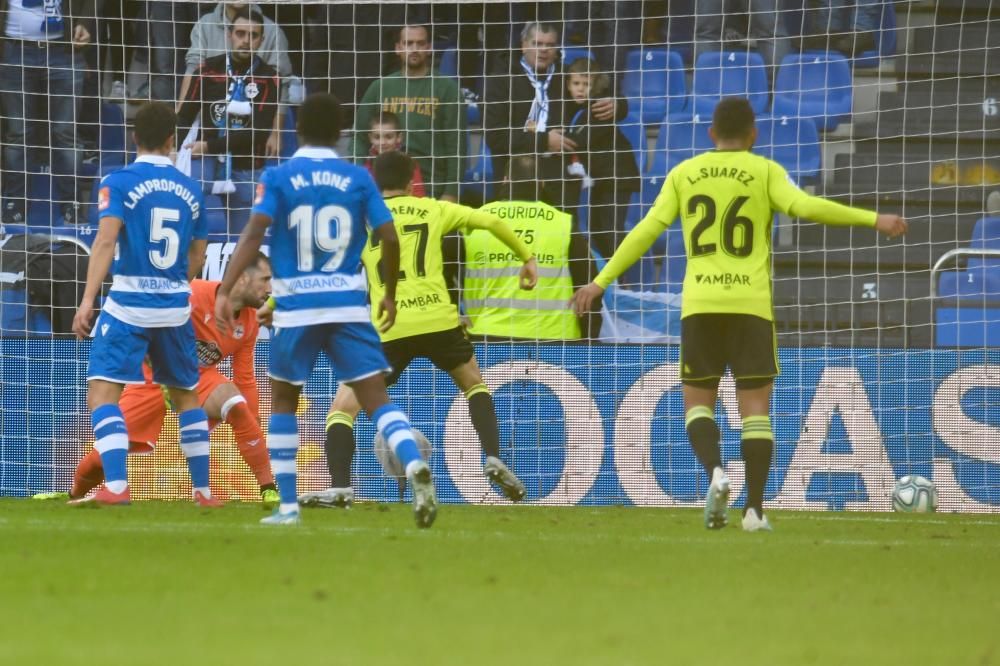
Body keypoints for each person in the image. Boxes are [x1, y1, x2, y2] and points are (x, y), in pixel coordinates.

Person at [571, 98, 908, 531]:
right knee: (755, 412)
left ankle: (715, 472)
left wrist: (601, 281)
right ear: (754, 134)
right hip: (750, 305)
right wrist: (873, 219)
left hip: (701, 306)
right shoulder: (765, 170)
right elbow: (806, 208)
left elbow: (646, 230)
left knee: (697, 404)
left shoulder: (684, 173)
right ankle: (753, 511)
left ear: (711, 134)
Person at [215, 93, 437, 527]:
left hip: (297, 307)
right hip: (348, 303)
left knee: (283, 399)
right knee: (375, 397)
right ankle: (412, 464)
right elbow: (390, 238)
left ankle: (289, 507)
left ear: (298, 129)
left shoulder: (279, 176)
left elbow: (253, 234)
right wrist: (388, 293)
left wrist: (226, 288)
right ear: (341, 134)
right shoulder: (358, 177)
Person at [292, 151, 537, 509]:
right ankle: (492, 456)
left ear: (375, 182)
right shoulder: (434, 208)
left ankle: (341, 486)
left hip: (389, 327)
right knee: (473, 383)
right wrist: (526, 257)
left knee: (342, 411)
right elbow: (490, 222)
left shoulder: (360, 219)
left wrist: (273, 304)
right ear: (412, 181)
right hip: (438, 319)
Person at [35, 255, 277, 507]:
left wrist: (253, 416)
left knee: (236, 403)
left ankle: (268, 489)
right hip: (152, 377)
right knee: (107, 451)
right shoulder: (194, 294)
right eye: (266, 279)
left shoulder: (250, 321)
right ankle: (74, 493)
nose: (270, 289)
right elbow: (151, 328)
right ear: (243, 278)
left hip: (197, 377)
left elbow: (245, 375)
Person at [68, 101, 213, 507]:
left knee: (102, 394)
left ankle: (116, 485)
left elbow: (106, 241)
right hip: (173, 306)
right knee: (186, 395)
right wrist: (172, 288)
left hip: (129, 304)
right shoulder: (191, 189)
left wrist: (86, 302)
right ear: (172, 140)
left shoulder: (120, 181)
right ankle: (202, 490)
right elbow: (197, 257)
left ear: (135, 136)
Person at [463, 154, 600, 340]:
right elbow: (590, 286)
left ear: (505, 181)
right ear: (541, 183)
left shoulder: (475, 220)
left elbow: (441, 272)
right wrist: (589, 338)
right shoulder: (564, 224)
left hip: (486, 335)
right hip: (556, 339)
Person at [482, 21, 626, 191]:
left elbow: (605, 92)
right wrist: (544, 141)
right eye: (537, 43)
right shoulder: (499, 80)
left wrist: (618, 104)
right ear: (523, 46)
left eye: (550, 45)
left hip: (562, 182)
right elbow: (495, 136)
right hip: (515, 180)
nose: (544, 50)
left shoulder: (568, 75)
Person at [176, 6, 279, 234]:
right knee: (185, 221)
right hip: (205, 159)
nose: (246, 41)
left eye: (253, 35)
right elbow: (183, 116)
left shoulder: (268, 78)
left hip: (245, 163)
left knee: (242, 241)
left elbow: (258, 132)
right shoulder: (208, 70)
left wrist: (209, 146)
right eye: (240, 34)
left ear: (261, 40)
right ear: (229, 34)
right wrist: (174, 150)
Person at [0, 0, 96, 225]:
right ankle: (15, 203)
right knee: (18, 134)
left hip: (64, 50)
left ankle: (72, 203)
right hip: (15, 49)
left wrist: (85, 22)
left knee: (66, 134)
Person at [350, 23, 464, 203]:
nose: (414, 49)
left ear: (429, 48)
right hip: (382, 190)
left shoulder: (447, 89)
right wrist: (357, 181)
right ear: (398, 48)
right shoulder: (380, 87)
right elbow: (358, 137)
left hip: (432, 189)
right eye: (408, 43)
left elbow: (456, 146)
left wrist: (451, 192)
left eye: (420, 43)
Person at [560, 58, 640, 259]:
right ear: (568, 85)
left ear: (595, 87)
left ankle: (621, 281)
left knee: (609, 231)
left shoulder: (598, 108)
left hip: (618, 178)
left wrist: (553, 136)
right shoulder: (577, 109)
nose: (580, 89)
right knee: (597, 230)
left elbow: (581, 139)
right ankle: (608, 281)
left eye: (586, 84)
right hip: (602, 179)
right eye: (576, 84)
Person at [362, 112, 426, 197]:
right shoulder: (367, 165)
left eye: (388, 137)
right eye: (377, 137)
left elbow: (419, 195)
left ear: (399, 137)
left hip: (404, 208)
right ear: (370, 138)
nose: (382, 142)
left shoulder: (409, 164)